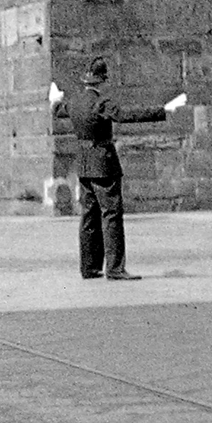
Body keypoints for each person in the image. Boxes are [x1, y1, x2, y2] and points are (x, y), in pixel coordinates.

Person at [51, 57, 176, 281]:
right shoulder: (102, 103)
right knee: (111, 215)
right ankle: (115, 268)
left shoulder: (75, 102)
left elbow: (58, 110)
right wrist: (162, 110)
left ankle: (88, 267)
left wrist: (55, 99)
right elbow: (126, 116)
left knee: (88, 216)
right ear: (102, 80)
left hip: (84, 164)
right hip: (104, 164)